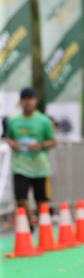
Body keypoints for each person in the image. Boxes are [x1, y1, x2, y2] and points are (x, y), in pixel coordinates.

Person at [5, 88, 56, 230]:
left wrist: (40, 145)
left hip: (40, 167)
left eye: (30, 99)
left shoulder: (44, 120)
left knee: (41, 200)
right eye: (24, 99)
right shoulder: (13, 121)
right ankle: (29, 224)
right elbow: (8, 137)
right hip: (20, 166)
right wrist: (11, 143)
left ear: (35, 101)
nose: (27, 102)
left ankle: (43, 225)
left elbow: (53, 141)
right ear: (20, 101)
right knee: (20, 198)